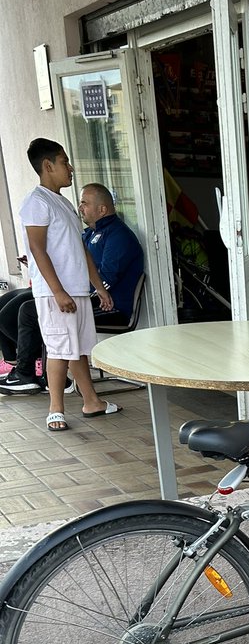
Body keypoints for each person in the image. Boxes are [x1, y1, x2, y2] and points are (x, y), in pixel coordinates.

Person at [18, 138, 121, 432]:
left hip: (77, 289)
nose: (70, 168)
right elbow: (38, 249)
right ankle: (55, 410)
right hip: (56, 292)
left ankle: (92, 401)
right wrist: (58, 291)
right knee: (60, 349)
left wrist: (99, 287)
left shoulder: (61, 202)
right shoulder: (35, 202)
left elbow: (80, 248)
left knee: (77, 348)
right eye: (64, 162)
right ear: (47, 166)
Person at [78, 183, 144, 325]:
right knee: (21, 300)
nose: (80, 208)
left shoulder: (119, 235)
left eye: (84, 203)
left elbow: (105, 280)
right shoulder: (89, 233)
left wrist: (73, 291)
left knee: (30, 312)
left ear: (102, 210)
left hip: (112, 306)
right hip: (88, 298)